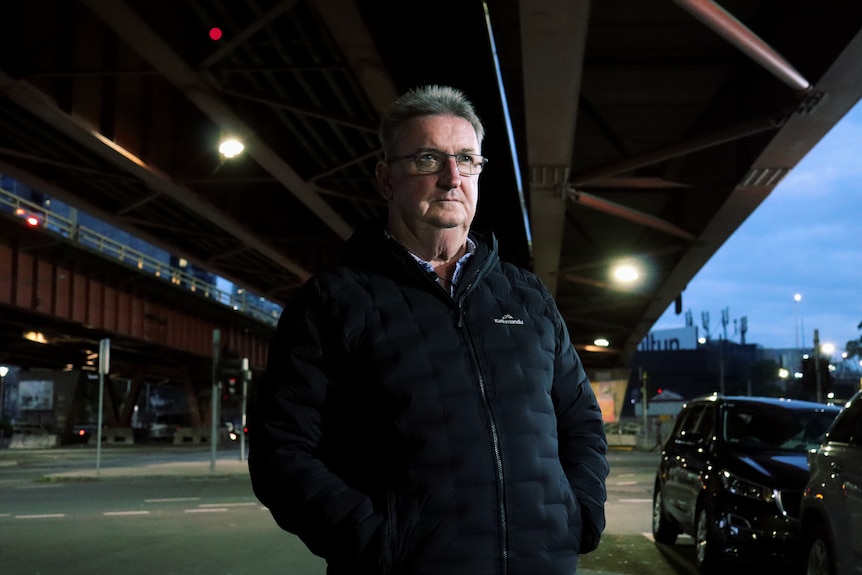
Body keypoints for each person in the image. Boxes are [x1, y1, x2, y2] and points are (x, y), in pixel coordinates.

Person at [249, 85, 609, 575]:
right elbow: (282, 452)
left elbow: (581, 421)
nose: (451, 177)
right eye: (426, 159)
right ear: (385, 180)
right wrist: (380, 543)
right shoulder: (335, 301)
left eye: (467, 159)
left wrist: (579, 514)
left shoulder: (526, 296)